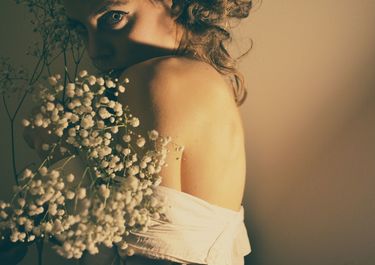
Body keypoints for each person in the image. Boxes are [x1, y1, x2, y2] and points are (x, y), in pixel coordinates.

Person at [11, 0, 253, 264]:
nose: (94, 50)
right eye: (81, 29)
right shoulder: (198, 78)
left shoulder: (160, 78)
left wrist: (59, 153)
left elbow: (142, 258)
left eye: (113, 17)